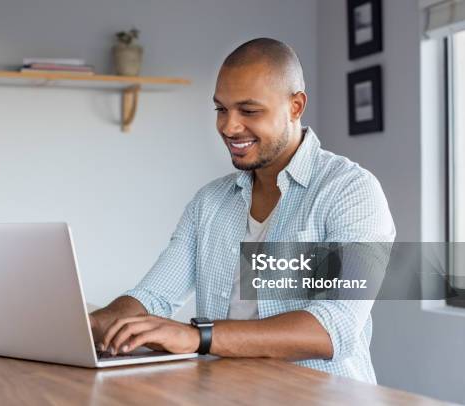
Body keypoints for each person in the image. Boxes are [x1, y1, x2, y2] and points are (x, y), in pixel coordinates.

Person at [90, 38, 395, 383]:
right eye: (221, 109)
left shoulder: (350, 191)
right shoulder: (209, 203)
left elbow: (332, 327)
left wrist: (198, 336)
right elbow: (153, 296)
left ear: (295, 106)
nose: (229, 127)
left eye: (249, 111)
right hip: (229, 393)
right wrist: (92, 324)